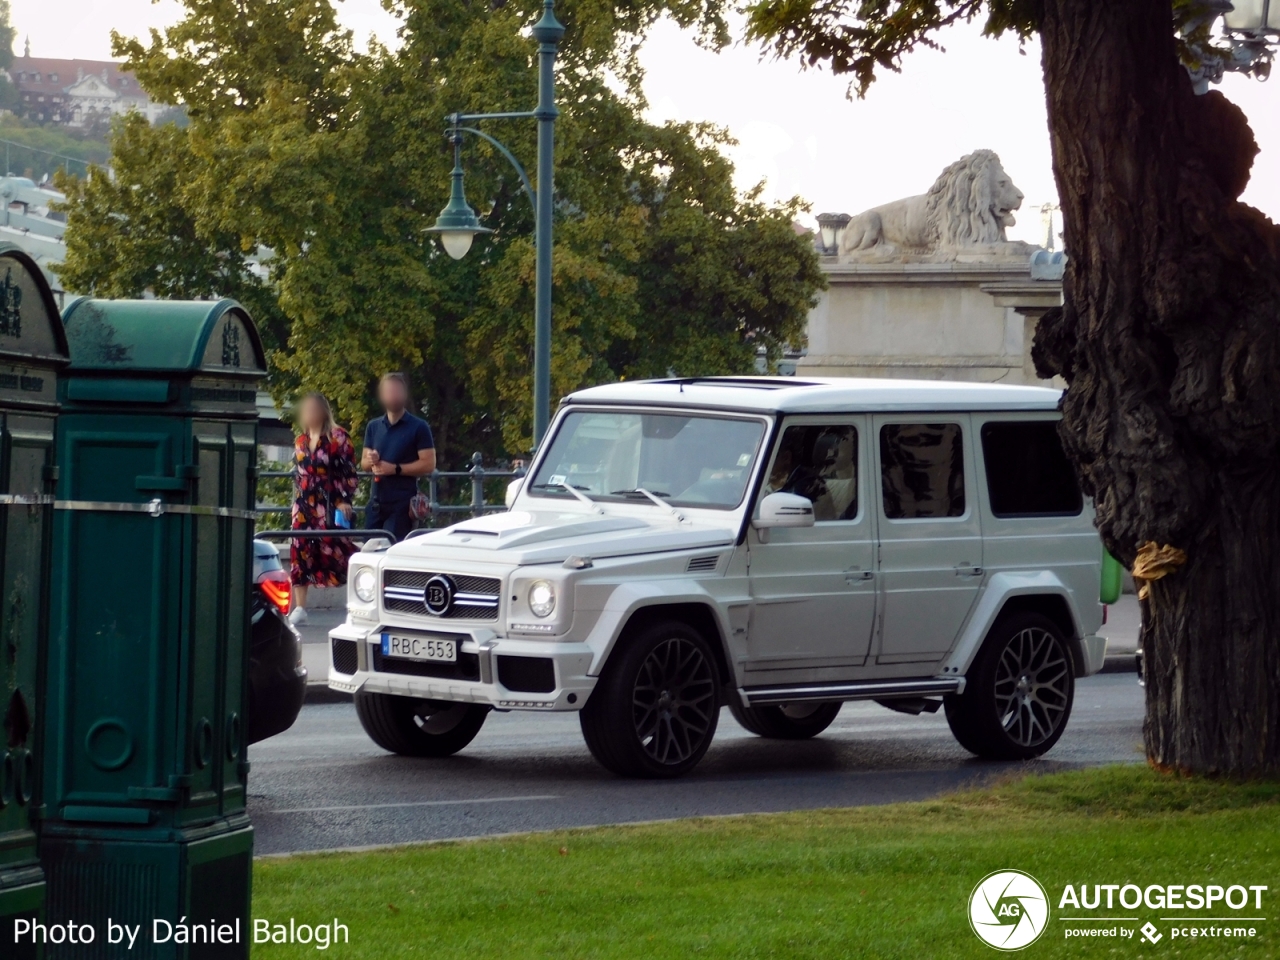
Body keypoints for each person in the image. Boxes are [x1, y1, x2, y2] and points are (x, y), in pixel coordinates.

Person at [290, 392, 358, 625]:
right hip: (303, 505)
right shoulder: (300, 440)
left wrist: (344, 499)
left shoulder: (338, 437)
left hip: (328, 503)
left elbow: (349, 472)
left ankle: (359, 599)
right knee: (299, 550)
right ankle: (300, 608)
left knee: (337, 551)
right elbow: (299, 475)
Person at [362, 372, 436, 541]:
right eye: (388, 391)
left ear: (404, 394)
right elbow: (364, 464)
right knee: (369, 553)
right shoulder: (373, 427)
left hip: (402, 505)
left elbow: (429, 464)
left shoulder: (419, 426)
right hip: (375, 504)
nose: (393, 396)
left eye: (396, 391)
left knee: (393, 552)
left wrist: (395, 469)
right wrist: (371, 460)